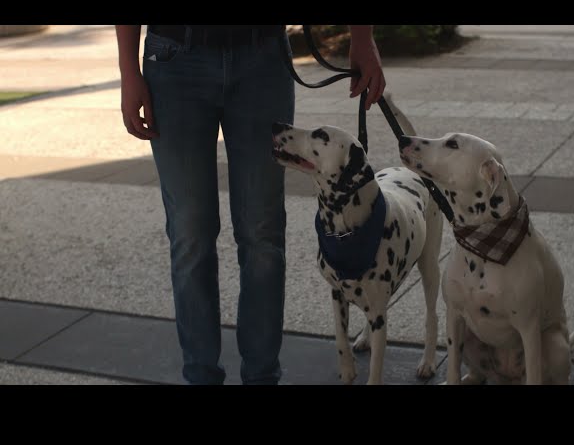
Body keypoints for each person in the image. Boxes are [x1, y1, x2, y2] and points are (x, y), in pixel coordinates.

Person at [115, 24, 386, 385]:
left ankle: (261, 377)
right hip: (174, 59)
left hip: (263, 59)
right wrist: (128, 71)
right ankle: (201, 376)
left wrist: (362, 38)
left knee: (263, 234)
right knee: (189, 233)